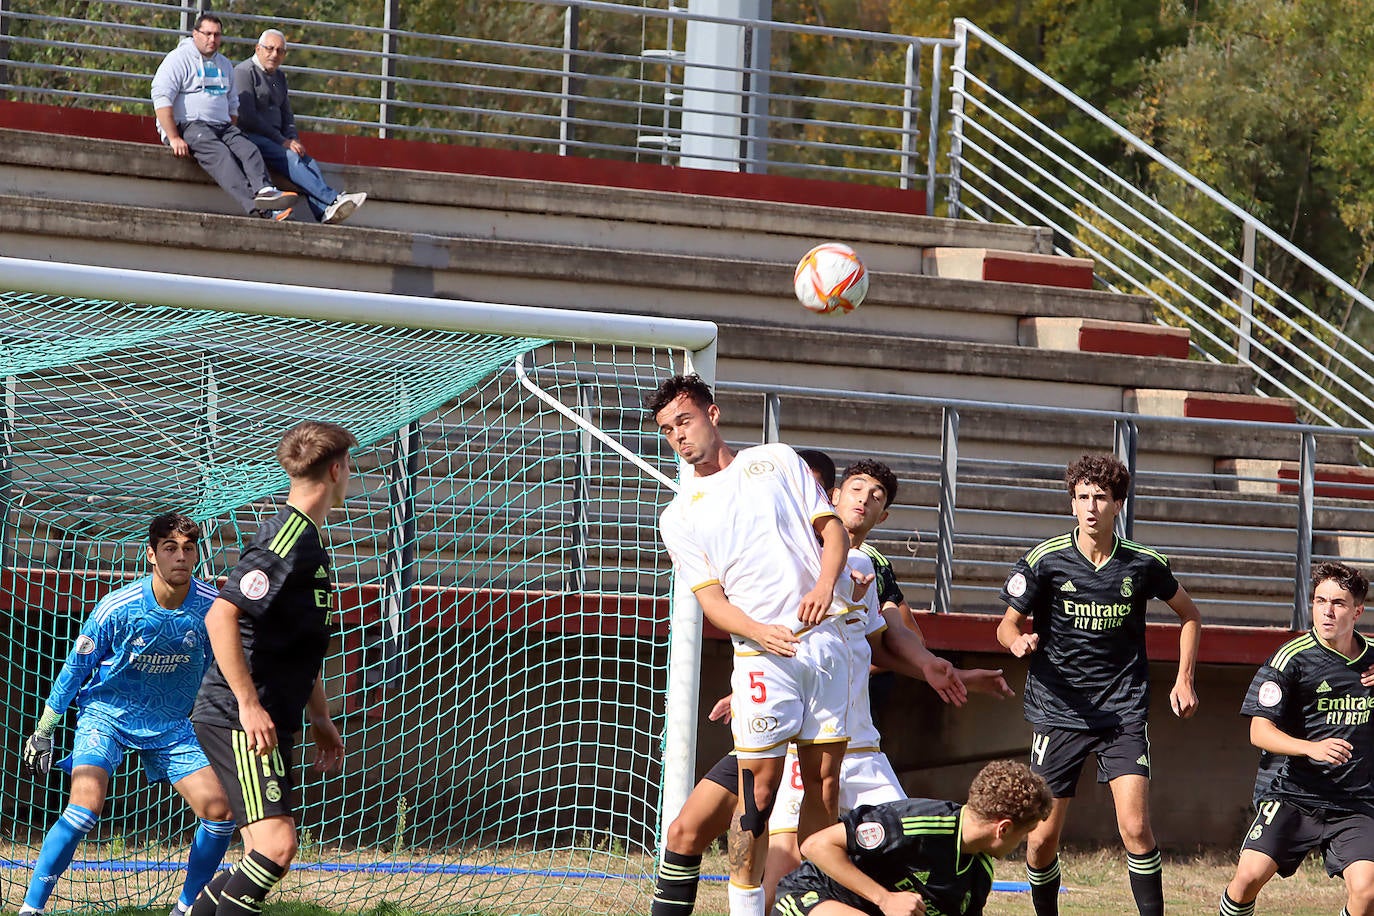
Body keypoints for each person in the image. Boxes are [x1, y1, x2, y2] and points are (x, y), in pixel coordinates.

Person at [650, 454, 1010, 916]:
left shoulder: (868, 565)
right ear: (830, 498)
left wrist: (942, 670)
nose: (864, 500)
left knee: (913, 864)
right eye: (855, 490)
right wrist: (763, 684)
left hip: (851, 743)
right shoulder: (781, 548)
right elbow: (756, 623)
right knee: (717, 843)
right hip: (781, 727)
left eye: (876, 496)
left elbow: (891, 641)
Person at [651, 375, 853, 916]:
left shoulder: (777, 459)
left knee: (825, 786)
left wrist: (823, 585)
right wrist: (757, 631)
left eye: (685, 422)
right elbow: (712, 602)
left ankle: (817, 899)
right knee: (756, 799)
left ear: (713, 415)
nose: (678, 437)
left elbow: (831, 530)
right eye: (668, 431)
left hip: (823, 645)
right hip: (763, 657)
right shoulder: (680, 513)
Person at [995, 453, 1201, 916]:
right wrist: (1018, 643)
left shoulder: (1143, 564)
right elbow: (1005, 627)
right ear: (1072, 504)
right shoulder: (1045, 561)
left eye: (1101, 498)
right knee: (1042, 836)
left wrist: (1184, 679)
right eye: (1082, 497)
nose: (1091, 506)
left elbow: (1190, 615)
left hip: (1122, 712)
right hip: (1058, 711)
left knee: (1134, 827)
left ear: (1117, 505)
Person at [17, 513, 234, 916]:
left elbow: (233, 658)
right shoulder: (116, 607)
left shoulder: (212, 608)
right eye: (170, 548)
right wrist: (44, 730)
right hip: (107, 716)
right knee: (85, 807)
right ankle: (32, 909)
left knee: (220, 814)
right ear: (151, 554)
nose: (181, 557)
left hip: (170, 724)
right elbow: (74, 670)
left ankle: (186, 909)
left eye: (188, 549)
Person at [187, 421, 353, 916]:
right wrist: (249, 704)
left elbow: (297, 646)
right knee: (276, 846)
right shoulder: (287, 538)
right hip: (240, 716)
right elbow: (222, 613)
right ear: (338, 468)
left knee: (264, 851)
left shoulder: (308, 540)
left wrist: (320, 718)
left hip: (270, 715)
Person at [1219, 562, 1374, 916]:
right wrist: (1311, 748)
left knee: (1367, 894)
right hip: (1293, 794)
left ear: (1358, 611)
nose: (1327, 611)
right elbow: (1259, 731)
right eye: (1320, 601)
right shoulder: (1290, 659)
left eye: (1338, 603)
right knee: (1246, 879)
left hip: (1354, 802)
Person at [772, 760, 1053, 916]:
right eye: (1023, 834)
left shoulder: (978, 874)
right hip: (809, 897)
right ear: (1002, 829)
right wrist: (884, 899)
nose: (1021, 844)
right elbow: (816, 845)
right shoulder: (916, 822)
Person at [152, 13, 297, 220]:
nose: (212, 39)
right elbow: (161, 97)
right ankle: (262, 211)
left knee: (249, 149)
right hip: (189, 125)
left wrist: (231, 132)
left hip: (222, 126)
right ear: (195, 34)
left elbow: (232, 105)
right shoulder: (178, 59)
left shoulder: (224, 64)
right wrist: (173, 137)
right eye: (207, 34)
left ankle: (266, 191)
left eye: (217, 35)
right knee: (222, 156)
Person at [234, 30, 368, 225]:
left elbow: (287, 114)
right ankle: (334, 199)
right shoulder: (243, 72)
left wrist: (293, 138)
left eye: (280, 51)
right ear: (258, 49)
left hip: (278, 139)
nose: (274, 54)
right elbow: (248, 118)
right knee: (291, 158)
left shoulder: (280, 77)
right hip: (253, 137)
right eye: (269, 49)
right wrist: (283, 141)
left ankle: (323, 212)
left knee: (308, 161)